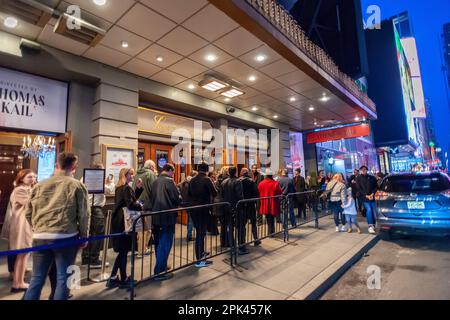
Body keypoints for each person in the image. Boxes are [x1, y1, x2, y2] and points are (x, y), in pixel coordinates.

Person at [24, 153, 90, 300]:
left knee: (37, 278)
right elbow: (84, 214)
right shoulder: (77, 185)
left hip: (40, 236)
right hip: (66, 237)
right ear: (73, 167)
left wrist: (37, 228)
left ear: (56, 165)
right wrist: (84, 236)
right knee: (63, 278)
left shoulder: (39, 185)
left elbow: (28, 213)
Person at [107, 167, 143, 289]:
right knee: (124, 251)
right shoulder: (126, 188)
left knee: (123, 251)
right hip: (125, 223)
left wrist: (137, 190)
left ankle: (114, 278)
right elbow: (131, 204)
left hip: (119, 221)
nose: (133, 176)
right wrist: (141, 206)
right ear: (125, 175)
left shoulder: (119, 188)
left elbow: (128, 200)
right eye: (131, 174)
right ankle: (122, 279)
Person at [1, 169, 35, 292]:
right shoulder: (20, 190)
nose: (33, 179)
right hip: (22, 226)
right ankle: (17, 283)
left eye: (33, 177)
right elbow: (31, 204)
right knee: (22, 254)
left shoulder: (28, 189)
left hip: (26, 225)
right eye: (29, 177)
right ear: (22, 178)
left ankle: (20, 282)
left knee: (24, 255)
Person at [150, 163, 182, 281]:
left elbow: (150, 197)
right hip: (167, 216)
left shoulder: (155, 181)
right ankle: (159, 271)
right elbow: (177, 198)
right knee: (166, 242)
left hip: (155, 216)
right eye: (173, 172)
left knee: (158, 242)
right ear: (169, 170)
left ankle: (161, 265)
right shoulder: (169, 182)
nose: (173, 175)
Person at [188, 163, 217, 266]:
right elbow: (215, 193)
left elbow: (189, 194)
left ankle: (201, 252)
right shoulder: (207, 179)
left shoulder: (192, 179)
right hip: (203, 209)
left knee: (200, 232)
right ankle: (199, 260)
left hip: (193, 209)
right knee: (201, 233)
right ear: (207, 170)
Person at [81, 163, 109, 269]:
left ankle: (86, 258)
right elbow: (109, 190)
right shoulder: (99, 178)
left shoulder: (84, 177)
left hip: (86, 208)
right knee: (98, 233)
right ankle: (94, 259)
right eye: (102, 169)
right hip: (96, 208)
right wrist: (109, 183)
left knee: (88, 232)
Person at [133, 160, 157, 257]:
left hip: (138, 204)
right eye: (154, 166)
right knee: (148, 229)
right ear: (151, 166)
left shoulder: (137, 174)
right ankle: (142, 250)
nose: (154, 168)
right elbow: (154, 189)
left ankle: (140, 250)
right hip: (148, 205)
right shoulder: (150, 174)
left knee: (140, 230)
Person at [220, 166, 244, 253]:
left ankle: (231, 244)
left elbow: (221, 195)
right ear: (235, 172)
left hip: (227, 207)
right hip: (236, 207)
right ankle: (241, 246)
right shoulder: (238, 181)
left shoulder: (224, 182)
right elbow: (239, 195)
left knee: (230, 227)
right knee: (240, 227)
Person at [239, 168, 261, 248]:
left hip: (242, 205)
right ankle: (256, 239)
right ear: (247, 173)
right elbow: (256, 193)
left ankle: (243, 242)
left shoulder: (239, 181)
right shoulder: (251, 181)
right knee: (253, 223)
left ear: (242, 173)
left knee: (243, 224)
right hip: (251, 205)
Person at [258, 169, 283, 235]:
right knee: (272, 218)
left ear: (266, 175)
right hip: (273, 203)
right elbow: (280, 192)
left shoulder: (261, 183)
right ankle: (272, 231)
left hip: (265, 203)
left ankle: (270, 232)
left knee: (268, 218)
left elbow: (259, 192)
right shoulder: (275, 183)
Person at [356, 166, 378, 234]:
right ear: (360, 170)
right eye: (362, 170)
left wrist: (372, 194)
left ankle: (373, 224)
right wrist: (366, 195)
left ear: (367, 170)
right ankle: (370, 226)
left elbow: (376, 186)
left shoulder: (372, 177)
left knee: (374, 211)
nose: (363, 171)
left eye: (365, 169)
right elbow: (359, 188)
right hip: (364, 197)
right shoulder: (358, 178)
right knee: (369, 210)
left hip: (372, 197)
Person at [179, 171, 198, 242]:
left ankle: (189, 234)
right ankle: (189, 235)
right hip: (190, 204)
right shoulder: (189, 184)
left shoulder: (183, 183)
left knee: (190, 219)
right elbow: (191, 195)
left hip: (185, 203)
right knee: (191, 220)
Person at [215, 166, 230, 247]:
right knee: (227, 224)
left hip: (218, 204)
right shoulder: (227, 180)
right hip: (225, 204)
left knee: (222, 225)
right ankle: (228, 242)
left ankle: (223, 242)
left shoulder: (217, 180)